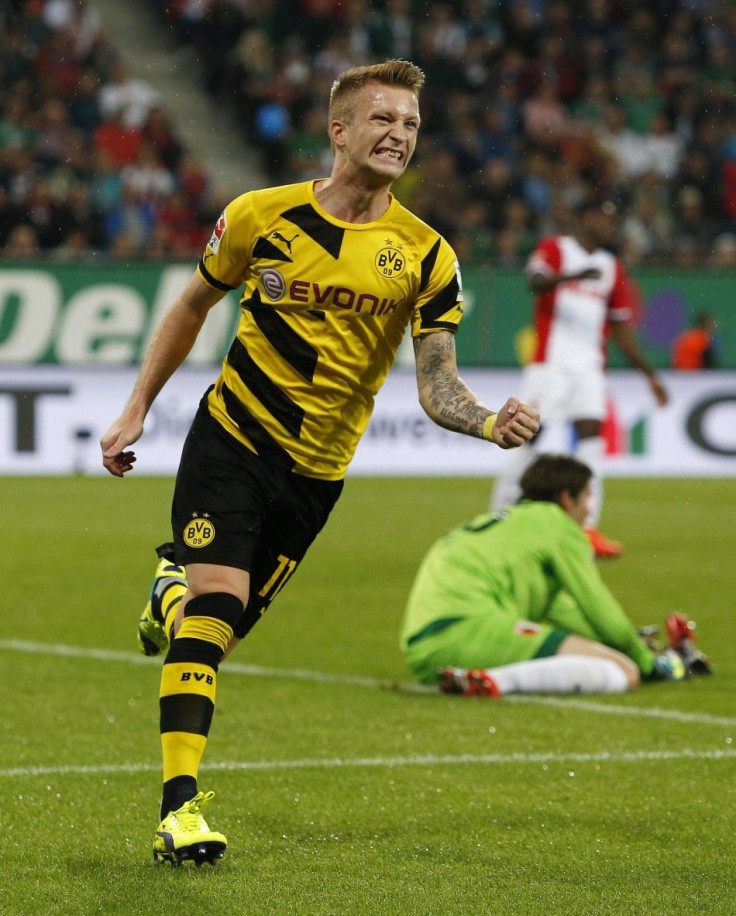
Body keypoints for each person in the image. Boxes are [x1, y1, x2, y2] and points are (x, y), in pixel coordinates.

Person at [100, 59, 540, 866]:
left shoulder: (426, 255)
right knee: (215, 614)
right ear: (338, 131)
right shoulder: (259, 217)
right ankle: (179, 809)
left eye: (409, 124)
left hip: (318, 475)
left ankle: (170, 592)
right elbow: (193, 306)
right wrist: (137, 409)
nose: (398, 135)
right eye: (382, 120)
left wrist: (487, 421)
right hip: (232, 440)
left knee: (210, 630)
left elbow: (437, 384)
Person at [401, 454, 710, 697]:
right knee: (624, 672)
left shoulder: (507, 525)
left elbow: (568, 615)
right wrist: (645, 663)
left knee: (601, 655)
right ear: (566, 498)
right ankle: (495, 682)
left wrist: (625, 641)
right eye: (587, 497)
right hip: (469, 631)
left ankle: (469, 677)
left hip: (423, 650)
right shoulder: (558, 525)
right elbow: (598, 606)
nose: (589, 511)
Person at [490, 198, 669, 558]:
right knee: (527, 437)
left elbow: (621, 331)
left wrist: (650, 376)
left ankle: (586, 530)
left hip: (588, 368)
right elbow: (534, 280)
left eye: (611, 221)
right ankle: (498, 519)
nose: (606, 226)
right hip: (549, 366)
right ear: (584, 217)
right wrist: (572, 277)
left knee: (592, 442)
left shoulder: (611, 266)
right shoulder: (556, 248)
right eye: (601, 217)